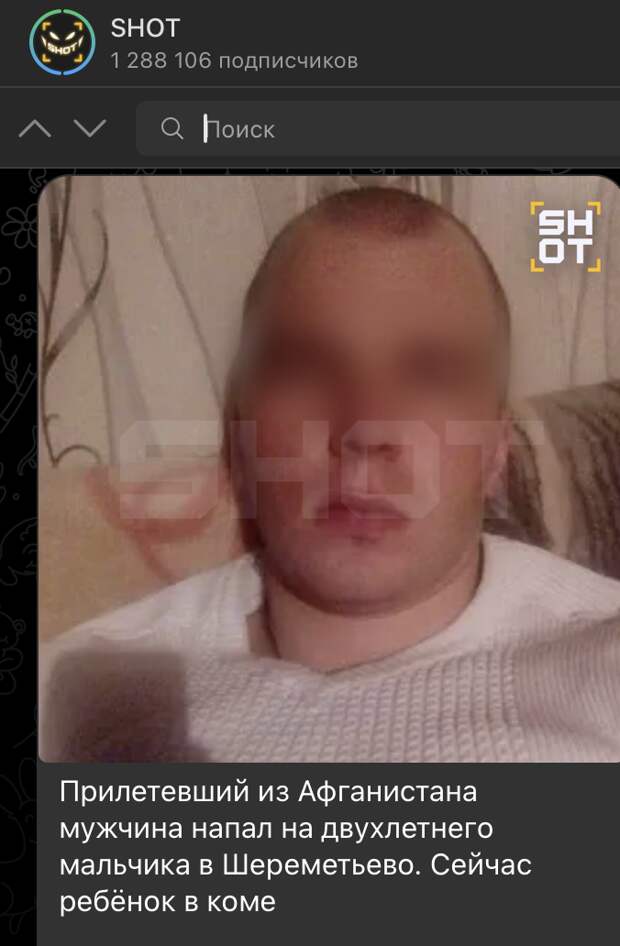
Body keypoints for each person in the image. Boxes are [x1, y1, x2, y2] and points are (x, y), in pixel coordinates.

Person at [39, 186, 620, 763]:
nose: (364, 429)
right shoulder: (75, 698)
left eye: (429, 374)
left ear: (494, 453)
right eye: (307, 368)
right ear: (240, 435)